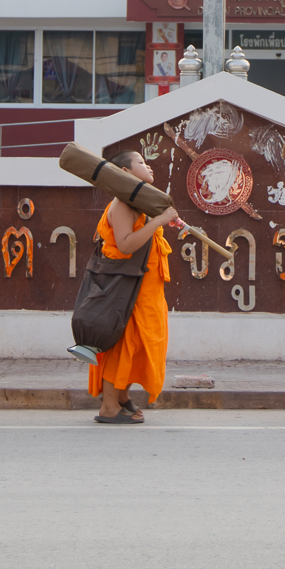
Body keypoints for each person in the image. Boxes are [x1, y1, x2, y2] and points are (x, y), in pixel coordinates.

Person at [89, 150, 178, 424]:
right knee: (123, 345)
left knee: (139, 345)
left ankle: (122, 396)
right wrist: (159, 220)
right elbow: (126, 244)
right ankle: (109, 406)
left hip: (146, 288)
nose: (148, 166)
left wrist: (160, 218)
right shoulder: (122, 204)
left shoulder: (138, 203)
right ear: (125, 172)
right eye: (141, 162)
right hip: (128, 290)